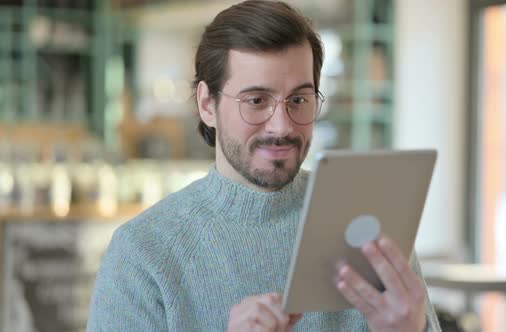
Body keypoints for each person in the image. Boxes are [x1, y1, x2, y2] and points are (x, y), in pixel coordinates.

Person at [87, 1, 441, 331]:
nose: (282, 126)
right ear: (208, 104)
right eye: (256, 100)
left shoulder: (369, 224)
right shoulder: (142, 254)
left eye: (299, 99)